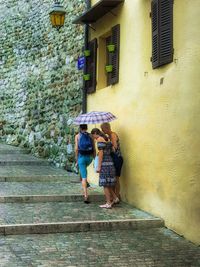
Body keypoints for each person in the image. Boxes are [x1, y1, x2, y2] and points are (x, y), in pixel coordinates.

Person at [91, 128, 118, 209]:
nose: (93, 137)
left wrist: (99, 166)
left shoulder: (99, 139)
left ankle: (108, 203)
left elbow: (101, 154)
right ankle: (115, 198)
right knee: (108, 182)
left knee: (105, 184)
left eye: (93, 135)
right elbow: (112, 150)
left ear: (95, 133)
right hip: (110, 162)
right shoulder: (106, 139)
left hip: (104, 164)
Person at [101, 122, 123, 200]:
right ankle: (114, 197)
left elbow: (115, 148)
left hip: (117, 158)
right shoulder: (109, 136)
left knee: (116, 178)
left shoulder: (113, 135)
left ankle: (116, 196)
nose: (103, 131)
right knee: (113, 178)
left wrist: (108, 144)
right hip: (114, 158)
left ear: (107, 128)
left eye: (103, 129)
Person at [75, 124, 95, 203]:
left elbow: (76, 149)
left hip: (81, 158)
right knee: (83, 170)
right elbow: (93, 148)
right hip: (89, 158)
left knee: (83, 176)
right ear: (86, 128)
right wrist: (94, 158)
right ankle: (85, 182)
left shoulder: (77, 136)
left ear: (80, 128)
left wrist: (77, 160)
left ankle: (86, 196)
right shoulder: (90, 135)